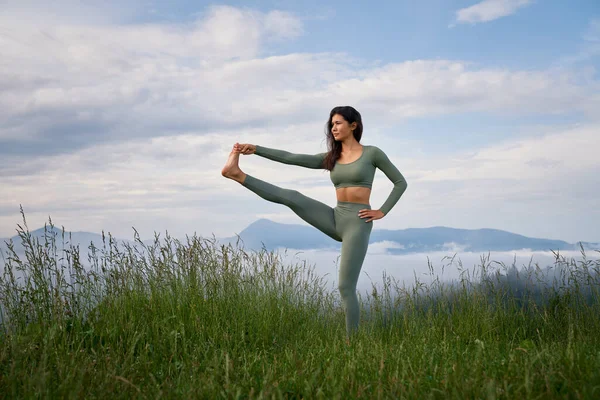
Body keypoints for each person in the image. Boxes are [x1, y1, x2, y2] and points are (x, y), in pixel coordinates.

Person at [221, 106, 408, 337]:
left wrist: (382, 211)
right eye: (332, 124)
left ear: (353, 125)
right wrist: (257, 149)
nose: (333, 127)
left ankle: (353, 344)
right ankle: (236, 174)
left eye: (338, 123)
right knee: (292, 197)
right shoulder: (332, 158)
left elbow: (400, 182)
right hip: (335, 216)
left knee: (345, 287)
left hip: (358, 222)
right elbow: (292, 158)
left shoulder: (372, 153)